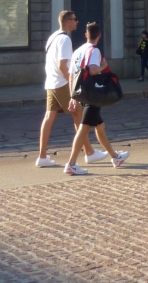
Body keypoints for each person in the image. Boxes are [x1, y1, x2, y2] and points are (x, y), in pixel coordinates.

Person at [37, 11, 101, 168]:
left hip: (51, 82)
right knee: (79, 115)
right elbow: (62, 65)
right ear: (67, 22)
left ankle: (42, 156)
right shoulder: (65, 39)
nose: (77, 22)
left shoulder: (53, 37)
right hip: (62, 82)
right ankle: (89, 152)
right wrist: (73, 84)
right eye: (74, 19)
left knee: (49, 117)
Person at [63, 22, 129, 176]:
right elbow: (93, 70)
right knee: (84, 128)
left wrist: (73, 97)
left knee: (100, 126)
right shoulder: (95, 50)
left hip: (81, 92)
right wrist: (102, 66)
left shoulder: (77, 51)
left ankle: (115, 157)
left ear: (86, 35)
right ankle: (71, 164)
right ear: (99, 35)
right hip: (93, 94)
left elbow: (72, 76)